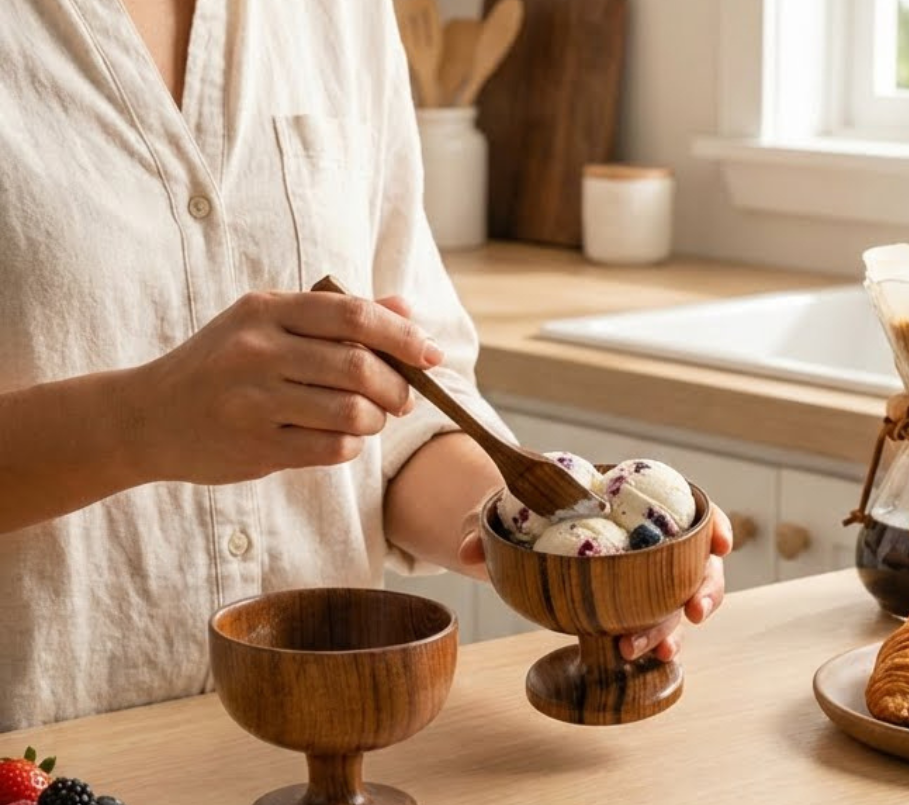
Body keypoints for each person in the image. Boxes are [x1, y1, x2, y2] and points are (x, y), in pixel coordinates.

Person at [0, 0, 731, 732]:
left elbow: (408, 414)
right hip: (38, 787)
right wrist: (143, 424)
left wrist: (560, 546)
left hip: (330, 758)